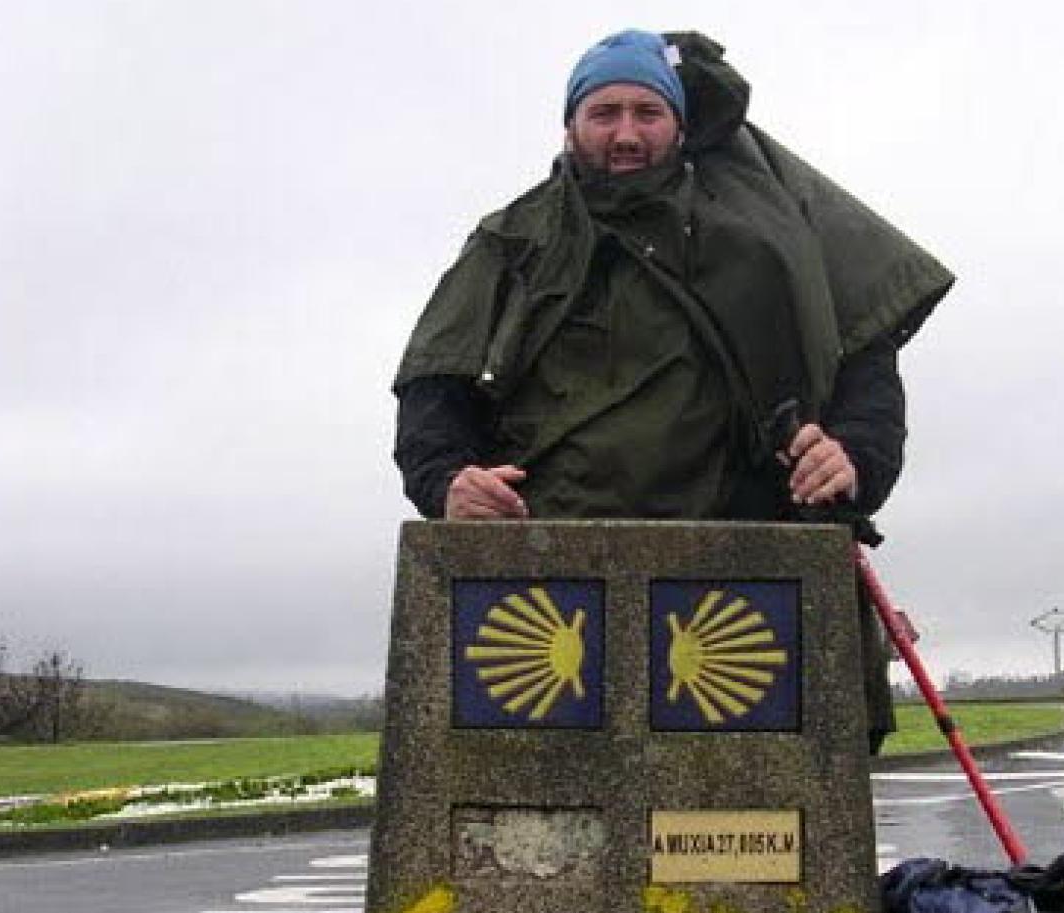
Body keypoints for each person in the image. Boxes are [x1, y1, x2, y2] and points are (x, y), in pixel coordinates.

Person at [392, 29, 954, 749]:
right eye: (604, 112)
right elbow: (434, 387)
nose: (626, 134)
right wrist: (446, 484)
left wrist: (856, 461)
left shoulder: (768, 235)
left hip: (746, 567)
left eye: (646, 113)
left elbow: (864, 362)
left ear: (679, 125)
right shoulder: (512, 239)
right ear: (570, 125)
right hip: (554, 577)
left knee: (750, 819)